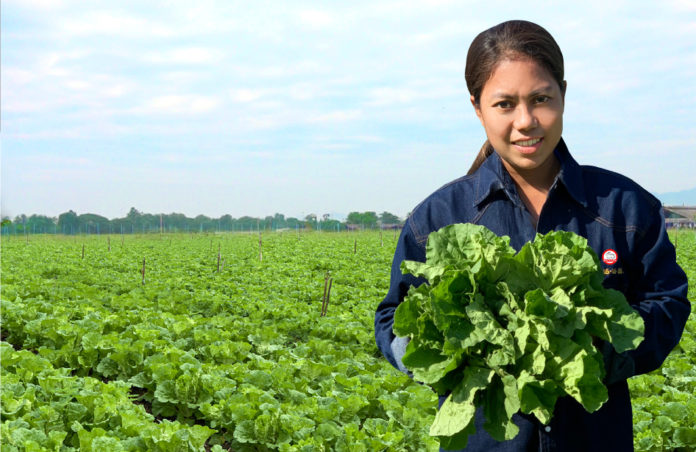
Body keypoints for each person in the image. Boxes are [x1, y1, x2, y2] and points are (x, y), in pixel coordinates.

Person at [374, 19, 690, 452]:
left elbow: (667, 302)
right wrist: (449, 351)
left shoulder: (624, 208)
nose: (526, 121)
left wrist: (593, 353)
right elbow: (393, 317)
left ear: (563, 95)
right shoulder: (437, 217)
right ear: (477, 108)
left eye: (541, 99)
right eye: (504, 104)